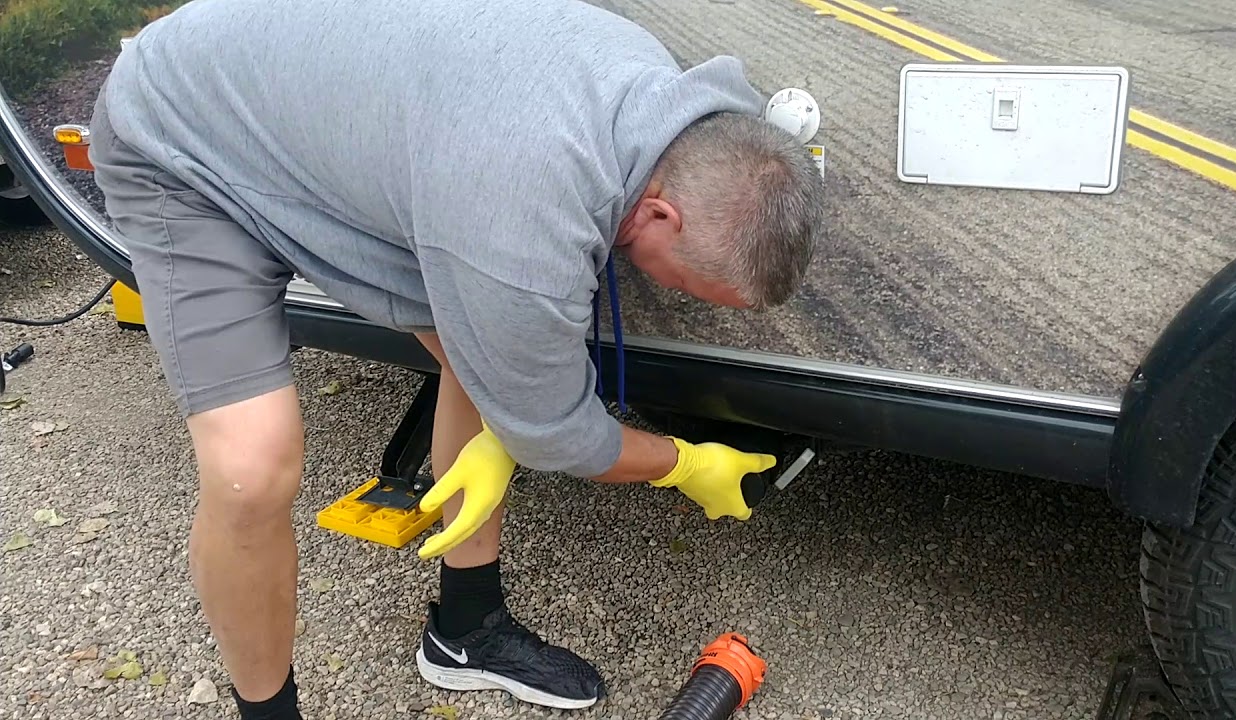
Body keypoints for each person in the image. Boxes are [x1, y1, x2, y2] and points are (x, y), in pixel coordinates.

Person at [87, 0, 824, 716]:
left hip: (321, 136)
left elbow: (509, 358)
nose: (674, 291)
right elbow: (558, 436)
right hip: (182, 143)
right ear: (660, 213)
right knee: (251, 471)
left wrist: (517, 391)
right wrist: (687, 464)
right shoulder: (525, 210)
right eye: (687, 283)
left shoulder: (655, 101)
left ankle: (465, 629)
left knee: (485, 357)